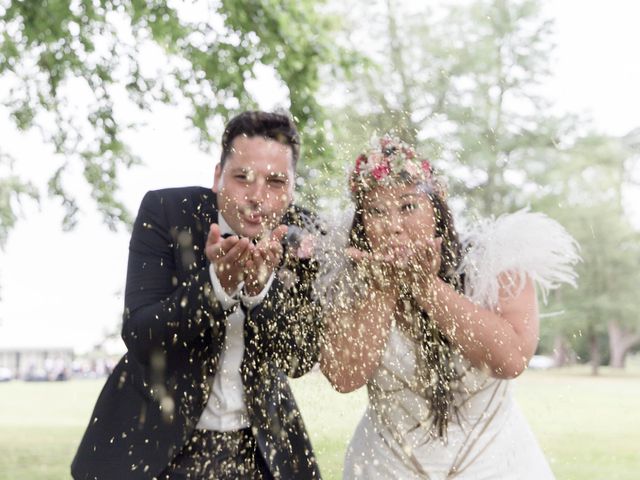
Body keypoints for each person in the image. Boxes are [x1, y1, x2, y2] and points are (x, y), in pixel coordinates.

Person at [72, 111, 323, 479]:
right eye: (243, 178)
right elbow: (141, 336)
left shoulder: (304, 235)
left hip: (260, 452)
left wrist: (258, 293)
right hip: (157, 446)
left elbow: (300, 358)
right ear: (218, 177)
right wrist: (215, 287)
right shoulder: (165, 212)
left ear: (292, 188)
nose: (257, 197)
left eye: (275, 181)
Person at [319, 135, 580, 479]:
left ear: (437, 208)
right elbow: (343, 376)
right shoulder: (346, 275)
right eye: (376, 211)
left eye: (409, 206)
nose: (393, 225)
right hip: (384, 467)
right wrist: (383, 289)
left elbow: (511, 359)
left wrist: (425, 286)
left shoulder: (493, 261)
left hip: (499, 467)